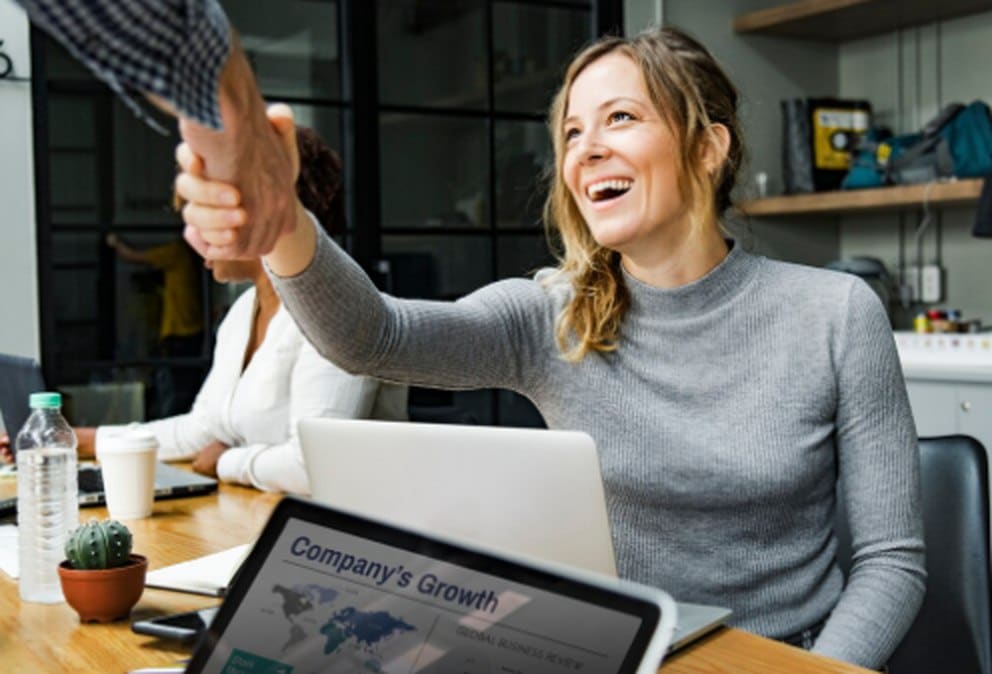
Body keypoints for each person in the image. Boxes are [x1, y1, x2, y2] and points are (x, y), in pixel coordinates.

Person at [11, 3, 923, 668]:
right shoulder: (550, 311)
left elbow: (890, 564)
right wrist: (282, 215)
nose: (586, 149)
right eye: (572, 131)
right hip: (607, 655)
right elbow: (373, 335)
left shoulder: (834, 314)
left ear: (709, 146)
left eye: (621, 118)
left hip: (779, 660)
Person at [2, 126, 408, 495]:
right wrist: (84, 439)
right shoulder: (242, 313)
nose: (192, 234)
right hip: (261, 514)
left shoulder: (338, 307)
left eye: (204, 212)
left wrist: (227, 460)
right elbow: (201, 431)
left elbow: (311, 466)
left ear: (264, 210)